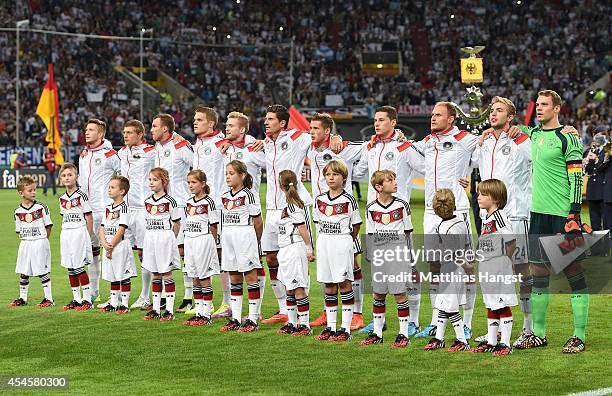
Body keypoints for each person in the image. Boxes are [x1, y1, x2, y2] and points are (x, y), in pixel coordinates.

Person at [518, 90, 589, 353]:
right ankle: (539, 334)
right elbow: (512, 126)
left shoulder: (567, 137)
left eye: (545, 105)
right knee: (538, 274)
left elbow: (577, 178)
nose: (539, 109)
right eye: (538, 105)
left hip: (562, 215)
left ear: (557, 108)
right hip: (537, 215)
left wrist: (574, 212)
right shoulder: (534, 134)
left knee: (574, 273)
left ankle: (579, 336)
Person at [260, 105, 341, 325]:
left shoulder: (297, 138)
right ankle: (284, 309)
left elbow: (320, 135)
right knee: (271, 257)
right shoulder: (267, 144)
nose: (266, 122)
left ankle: (324, 311)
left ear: (283, 123)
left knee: (305, 259)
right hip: (272, 208)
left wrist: (335, 136)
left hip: (293, 206)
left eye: (270, 119)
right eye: (265, 119)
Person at [467, 96, 534, 347]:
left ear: (510, 116)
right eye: (491, 111)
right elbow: (462, 155)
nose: (493, 114)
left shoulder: (520, 139)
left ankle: (528, 328)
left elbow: (538, 154)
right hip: (488, 218)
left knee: (522, 272)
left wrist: (524, 132)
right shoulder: (483, 142)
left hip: (515, 215)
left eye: (499, 111)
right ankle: (494, 332)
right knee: (494, 273)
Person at [352, 106, 424, 336]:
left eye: (382, 120)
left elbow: (426, 168)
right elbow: (358, 172)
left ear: (393, 123)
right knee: (378, 271)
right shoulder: (371, 147)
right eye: (375, 120)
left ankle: (413, 321)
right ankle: (378, 321)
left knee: (409, 270)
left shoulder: (403, 147)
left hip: (398, 218)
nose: (377, 124)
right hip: (375, 214)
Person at [415, 102, 478, 341]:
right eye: (432, 114)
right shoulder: (428, 142)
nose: (432, 118)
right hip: (431, 213)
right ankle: (435, 320)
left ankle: (468, 321)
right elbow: (406, 146)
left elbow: (489, 140)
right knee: (434, 265)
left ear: (451, 119)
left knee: (466, 267)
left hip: (457, 211)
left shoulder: (465, 138)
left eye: (438, 115)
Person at [307, 113, 366, 331]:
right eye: (310, 128)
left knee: (353, 265)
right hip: (322, 214)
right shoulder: (310, 148)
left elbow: (369, 146)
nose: (311, 132)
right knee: (327, 267)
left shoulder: (344, 148)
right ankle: (327, 311)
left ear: (327, 131)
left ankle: (357, 314)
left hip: (344, 216)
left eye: (315, 128)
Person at [220, 111, 267, 319]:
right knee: (233, 272)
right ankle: (236, 315)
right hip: (229, 213)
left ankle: (255, 314)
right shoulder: (224, 148)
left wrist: (265, 143)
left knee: (252, 269)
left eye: (231, 126)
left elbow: (274, 163)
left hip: (247, 216)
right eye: (226, 125)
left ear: (242, 129)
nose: (227, 128)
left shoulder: (253, 148)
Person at [360, 170, 413, 348]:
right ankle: (377, 333)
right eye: (390, 180)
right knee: (378, 293)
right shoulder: (371, 208)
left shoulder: (402, 205)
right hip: (379, 257)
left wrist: (411, 260)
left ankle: (403, 334)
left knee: (399, 293)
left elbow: (408, 233)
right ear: (379, 187)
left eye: (395, 179)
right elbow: (370, 233)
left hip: (397, 254)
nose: (395, 183)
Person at [313, 160, 362, 342]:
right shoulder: (320, 199)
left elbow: (356, 225)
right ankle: (331, 327)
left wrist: (347, 240)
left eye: (335, 174)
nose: (331, 178)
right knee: (329, 284)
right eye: (328, 174)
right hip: (324, 242)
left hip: (342, 242)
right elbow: (317, 223)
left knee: (344, 283)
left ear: (344, 178)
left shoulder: (349, 200)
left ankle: (345, 329)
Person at [151, 113, 194, 313]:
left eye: (154, 126)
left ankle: (189, 296)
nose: (151, 129)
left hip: (181, 205)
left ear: (165, 129)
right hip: (160, 208)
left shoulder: (181, 146)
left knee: (183, 250)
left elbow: (198, 166)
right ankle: (159, 298)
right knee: (161, 250)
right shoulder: (157, 148)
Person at [471, 179, 518, 356]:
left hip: (499, 266)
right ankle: (491, 341)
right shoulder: (486, 218)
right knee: (491, 305)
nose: (478, 197)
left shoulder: (499, 216)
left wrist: (507, 263)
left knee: (502, 304)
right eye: (478, 193)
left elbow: (511, 241)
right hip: (487, 267)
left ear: (496, 198)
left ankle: (505, 343)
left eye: (483, 194)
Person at [423, 189, 472, 352]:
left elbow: (453, 254)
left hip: (450, 270)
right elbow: (466, 245)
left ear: (435, 210)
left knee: (450, 307)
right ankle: (439, 338)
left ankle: (461, 340)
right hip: (457, 271)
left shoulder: (443, 227)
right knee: (443, 304)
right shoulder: (461, 221)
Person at [78, 118, 121, 304]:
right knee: (92, 251)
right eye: (86, 129)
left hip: (104, 211)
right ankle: (94, 292)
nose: (87, 132)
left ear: (101, 133)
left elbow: (124, 177)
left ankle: (118, 296)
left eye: (91, 130)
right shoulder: (84, 155)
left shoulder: (110, 154)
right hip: (87, 211)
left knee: (110, 250)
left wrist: (118, 201)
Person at [219, 160, 264, 333]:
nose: (228, 177)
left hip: (245, 237)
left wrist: (255, 242)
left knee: (250, 277)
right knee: (234, 278)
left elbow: (258, 222)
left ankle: (252, 319)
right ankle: (236, 319)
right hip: (229, 238)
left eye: (232, 173)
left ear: (242, 175)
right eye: (227, 174)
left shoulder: (248, 195)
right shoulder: (224, 196)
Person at [117, 120, 157, 311]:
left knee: (145, 252)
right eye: (124, 132)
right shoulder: (121, 153)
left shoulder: (151, 151)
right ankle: (117, 295)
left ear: (141, 135)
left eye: (130, 132)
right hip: (125, 209)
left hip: (143, 210)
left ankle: (145, 295)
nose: (125, 135)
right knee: (123, 250)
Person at [275, 170, 315, 336]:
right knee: (288, 288)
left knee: (298, 287)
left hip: (294, 248)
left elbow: (302, 227)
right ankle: (292, 323)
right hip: (285, 250)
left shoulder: (294, 204)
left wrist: (308, 248)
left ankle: (304, 325)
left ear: (280, 184)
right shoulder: (287, 203)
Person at [142, 168, 182, 321]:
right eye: (150, 179)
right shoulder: (147, 201)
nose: (151, 182)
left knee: (166, 273)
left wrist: (170, 238)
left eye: (155, 179)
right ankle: (156, 309)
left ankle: (169, 310)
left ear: (163, 182)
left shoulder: (170, 201)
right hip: (150, 237)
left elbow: (177, 223)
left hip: (164, 237)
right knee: (155, 273)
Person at [182, 170, 220, 326]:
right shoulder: (189, 202)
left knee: (204, 277)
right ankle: (198, 313)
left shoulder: (209, 202)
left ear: (203, 184)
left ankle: (206, 315)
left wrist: (210, 244)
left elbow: (214, 226)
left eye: (194, 182)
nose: (191, 185)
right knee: (194, 276)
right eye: (189, 182)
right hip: (189, 240)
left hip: (203, 241)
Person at [10, 176, 54, 308]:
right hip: (25, 243)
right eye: (30, 190)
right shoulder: (17, 212)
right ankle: (22, 298)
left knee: (41, 270)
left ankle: (49, 299)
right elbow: (19, 230)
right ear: (21, 193)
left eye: (35, 189)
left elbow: (49, 226)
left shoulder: (41, 207)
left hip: (39, 241)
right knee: (24, 270)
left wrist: (44, 240)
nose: (34, 192)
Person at [58, 163, 94, 311]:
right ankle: (76, 299)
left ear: (76, 177)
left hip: (79, 232)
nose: (67, 178)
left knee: (79, 266)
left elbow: (89, 217)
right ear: (61, 178)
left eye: (70, 175)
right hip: (66, 232)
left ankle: (87, 300)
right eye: (64, 175)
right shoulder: (62, 198)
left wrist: (88, 235)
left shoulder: (82, 195)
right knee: (70, 267)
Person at [99, 176, 135, 314]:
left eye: (112, 187)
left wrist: (111, 245)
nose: (109, 189)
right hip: (108, 245)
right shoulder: (108, 208)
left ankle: (124, 304)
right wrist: (104, 244)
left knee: (123, 275)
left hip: (120, 246)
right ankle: (114, 303)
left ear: (122, 191)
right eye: (109, 187)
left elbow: (121, 229)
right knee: (112, 275)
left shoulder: (124, 208)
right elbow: (102, 227)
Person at [584, 133, 608, 256]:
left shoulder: (607, 152)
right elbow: (587, 171)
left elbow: (603, 168)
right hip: (592, 191)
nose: (596, 139)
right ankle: (595, 250)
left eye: (599, 137)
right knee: (594, 223)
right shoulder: (591, 152)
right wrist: (587, 161)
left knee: (606, 223)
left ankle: (605, 250)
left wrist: (597, 159)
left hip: (603, 191)